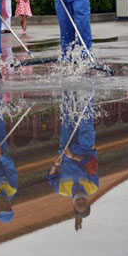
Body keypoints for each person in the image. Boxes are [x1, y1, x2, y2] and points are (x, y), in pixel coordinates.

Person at [48, 92, 98, 231]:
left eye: (78, 203)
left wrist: (55, 165)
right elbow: (92, 163)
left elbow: (51, 177)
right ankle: (87, 89)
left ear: (73, 205)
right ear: (88, 202)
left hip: (66, 148)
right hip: (85, 147)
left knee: (68, 117)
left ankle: (68, 89)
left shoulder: (61, 190)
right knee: (86, 117)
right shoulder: (93, 187)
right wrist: (74, 157)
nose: (81, 200)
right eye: (84, 203)